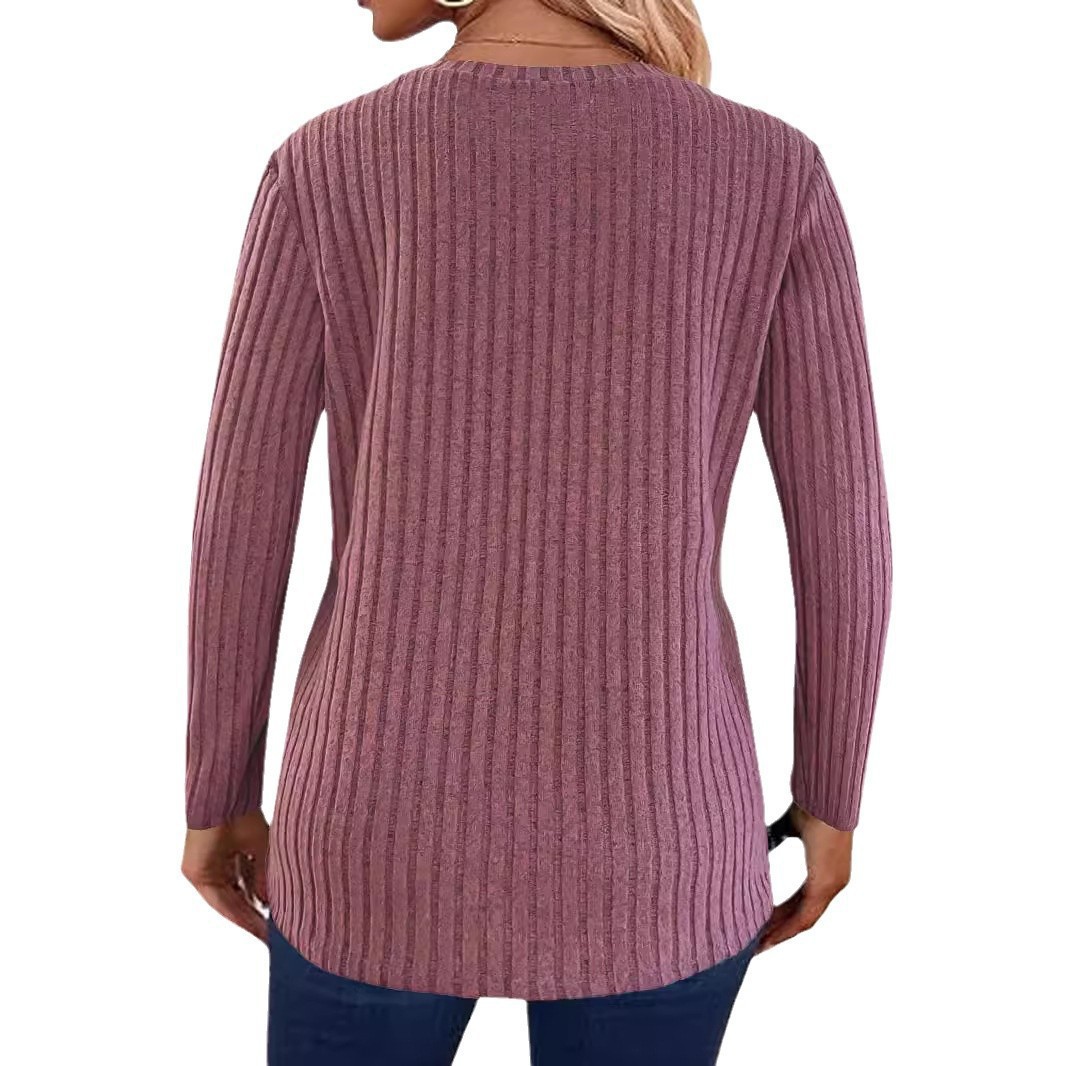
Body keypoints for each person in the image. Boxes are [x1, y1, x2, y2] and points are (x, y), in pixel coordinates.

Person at [181, 0, 893, 1061]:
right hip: (664, 837)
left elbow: (239, 519)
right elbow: (846, 532)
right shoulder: (771, 169)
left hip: (372, 831)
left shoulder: (326, 163)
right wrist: (831, 792)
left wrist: (217, 788)